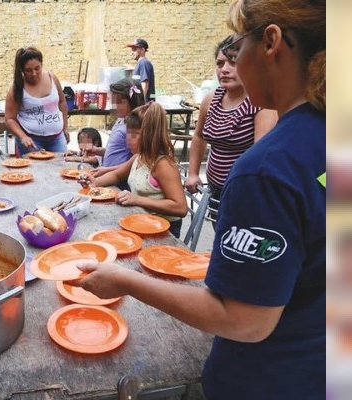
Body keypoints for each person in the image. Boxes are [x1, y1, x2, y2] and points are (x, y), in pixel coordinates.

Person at [73, 0, 325, 398]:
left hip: (267, 380)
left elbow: (245, 320)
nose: (231, 62)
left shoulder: (268, 169)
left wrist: (127, 281)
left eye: (238, 48)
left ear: (271, 42)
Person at [184, 35, 277, 221]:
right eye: (220, 64)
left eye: (233, 63)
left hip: (245, 194)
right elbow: (199, 137)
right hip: (214, 190)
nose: (224, 70)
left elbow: (261, 156)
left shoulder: (261, 103)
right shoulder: (211, 99)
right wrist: (193, 173)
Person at [81, 102, 187, 237]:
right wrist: (94, 182)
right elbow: (117, 175)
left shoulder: (163, 165)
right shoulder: (139, 157)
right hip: (141, 222)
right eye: (128, 133)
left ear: (151, 135)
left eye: (135, 134)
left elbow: (180, 207)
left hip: (163, 232)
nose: (128, 139)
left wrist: (137, 200)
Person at [4, 46, 69, 156]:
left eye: (37, 68)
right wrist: (23, 137)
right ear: (22, 70)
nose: (34, 73)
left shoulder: (52, 78)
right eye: (28, 70)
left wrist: (65, 127)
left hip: (56, 137)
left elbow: (62, 102)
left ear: (42, 65)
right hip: (31, 140)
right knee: (33, 170)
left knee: (60, 166)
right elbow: (10, 118)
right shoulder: (17, 87)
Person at [85, 78, 146, 189]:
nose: (114, 105)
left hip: (120, 184)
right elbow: (116, 151)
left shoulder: (133, 127)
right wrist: (97, 150)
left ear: (130, 102)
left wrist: (108, 170)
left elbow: (137, 161)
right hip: (108, 178)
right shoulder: (120, 121)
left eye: (118, 102)